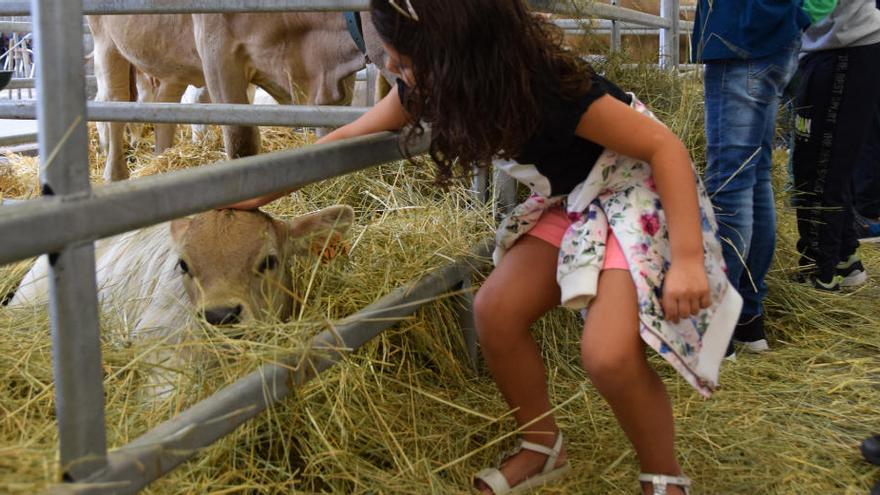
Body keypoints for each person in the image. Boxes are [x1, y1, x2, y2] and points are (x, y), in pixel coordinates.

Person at [233, 1, 741, 493]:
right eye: (390, 55)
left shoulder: (546, 88)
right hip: (571, 196)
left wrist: (690, 262)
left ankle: (663, 479)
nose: (392, 68)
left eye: (403, 61)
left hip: (632, 186)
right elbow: (347, 137)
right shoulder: (426, 87)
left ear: (456, 55)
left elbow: (662, 146)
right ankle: (544, 446)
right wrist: (252, 190)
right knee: (494, 311)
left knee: (607, 357)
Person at [692, 0, 809, 357]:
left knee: (732, 182)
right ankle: (747, 320)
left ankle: (719, 330)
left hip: (743, 33)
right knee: (753, 176)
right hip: (769, 31)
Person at [791, 0, 880, 290]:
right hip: (837, 45)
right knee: (827, 160)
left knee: (821, 164)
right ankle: (844, 256)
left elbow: (819, 5)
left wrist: (777, 23)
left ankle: (820, 271)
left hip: (844, 47)